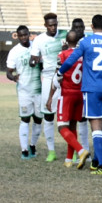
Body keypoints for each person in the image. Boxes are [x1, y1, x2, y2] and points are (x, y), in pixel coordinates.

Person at [58, 14, 102, 175]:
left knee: (94, 124)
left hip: (92, 88)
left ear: (91, 26)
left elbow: (71, 60)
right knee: (101, 123)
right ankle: (96, 161)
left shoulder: (86, 42)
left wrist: (60, 72)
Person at [46, 31, 90, 168]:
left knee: (61, 127)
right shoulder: (83, 56)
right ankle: (69, 159)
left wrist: (50, 97)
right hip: (79, 94)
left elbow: (57, 76)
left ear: (65, 42)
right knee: (72, 125)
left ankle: (81, 151)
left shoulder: (62, 55)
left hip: (67, 94)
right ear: (78, 42)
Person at [29, 13, 64, 162]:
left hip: (64, 77)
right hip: (48, 77)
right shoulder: (39, 40)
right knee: (48, 115)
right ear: (45, 25)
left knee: (67, 116)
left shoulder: (64, 35)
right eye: (50, 25)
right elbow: (32, 60)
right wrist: (34, 61)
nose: (53, 27)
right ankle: (51, 151)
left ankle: (73, 150)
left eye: (55, 24)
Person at [6, 25, 43, 160]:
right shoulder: (14, 52)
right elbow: (8, 72)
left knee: (38, 119)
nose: (23, 37)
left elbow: (44, 64)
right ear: (17, 36)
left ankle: (33, 145)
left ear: (29, 34)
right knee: (25, 119)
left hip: (38, 89)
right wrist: (14, 77)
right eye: (20, 35)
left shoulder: (36, 47)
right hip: (24, 91)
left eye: (25, 35)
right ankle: (24, 150)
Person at [70, 18, 90, 156]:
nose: (78, 29)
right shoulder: (67, 44)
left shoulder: (88, 42)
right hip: (70, 88)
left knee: (83, 119)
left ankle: (85, 150)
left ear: (84, 28)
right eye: (75, 27)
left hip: (85, 86)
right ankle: (76, 150)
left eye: (80, 27)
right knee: (72, 121)